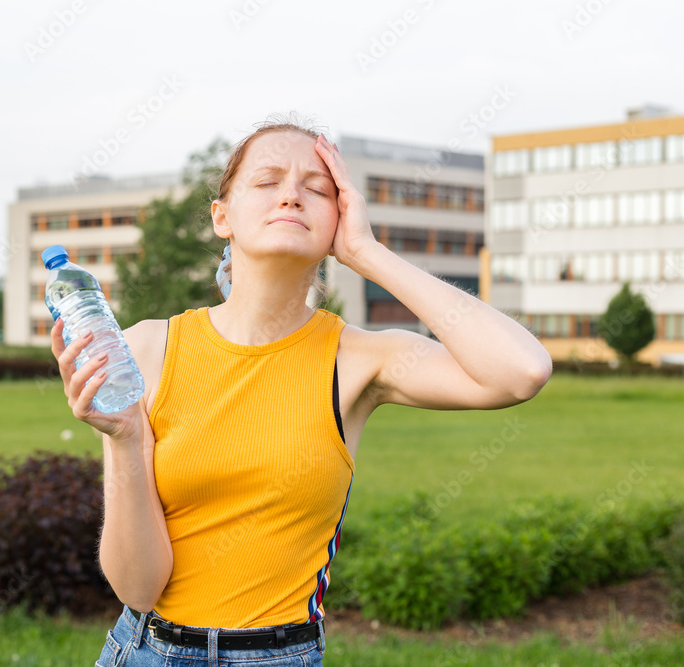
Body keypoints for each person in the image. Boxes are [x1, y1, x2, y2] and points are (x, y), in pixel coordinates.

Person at [51, 116, 553, 666]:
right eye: (267, 182)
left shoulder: (359, 360)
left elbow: (521, 370)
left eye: (316, 188)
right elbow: (138, 589)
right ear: (223, 217)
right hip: (147, 651)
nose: (291, 195)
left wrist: (365, 253)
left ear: (338, 218)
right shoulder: (147, 349)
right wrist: (124, 439)